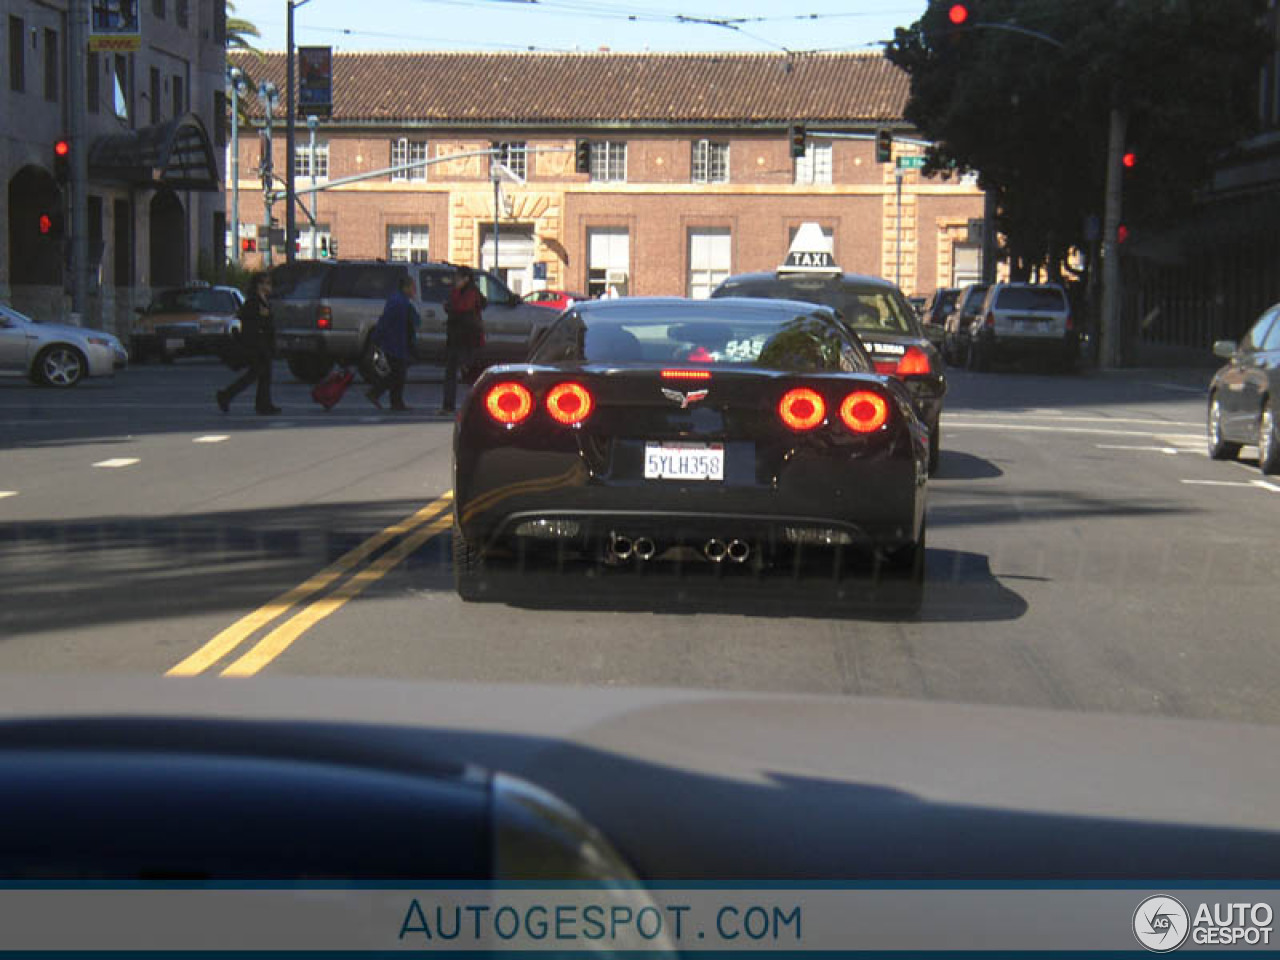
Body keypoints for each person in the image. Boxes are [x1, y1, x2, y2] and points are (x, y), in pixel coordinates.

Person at [216, 272, 280, 415]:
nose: (269, 286)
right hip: (256, 345)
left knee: (263, 375)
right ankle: (226, 396)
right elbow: (252, 325)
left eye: (270, 283)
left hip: (264, 343)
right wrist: (257, 343)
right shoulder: (253, 302)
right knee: (255, 374)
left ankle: (263, 404)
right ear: (259, 285)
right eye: (266, 283)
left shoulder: (264, 301)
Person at [366, 274, 419, 412]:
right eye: (413, 288)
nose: (414, 291)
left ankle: (392, 400)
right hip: (395, 343)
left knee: (396, 374)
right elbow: (388, 321)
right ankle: (382, 396)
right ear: (406, 287)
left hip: (395, 342)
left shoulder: (398, 300)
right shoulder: (400, 302)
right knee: (397, 374)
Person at [440, 266, 487, 414]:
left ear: (466, 279)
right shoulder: (457, 292)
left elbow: (463, 309)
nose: (455, 281)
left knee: (470, 373)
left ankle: (478, 404)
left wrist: (450, 309)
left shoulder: (472, 293)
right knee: (452, 372)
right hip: (456, 336)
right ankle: (448, 405)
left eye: (458, 278)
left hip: (468, 338)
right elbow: (455, 307)